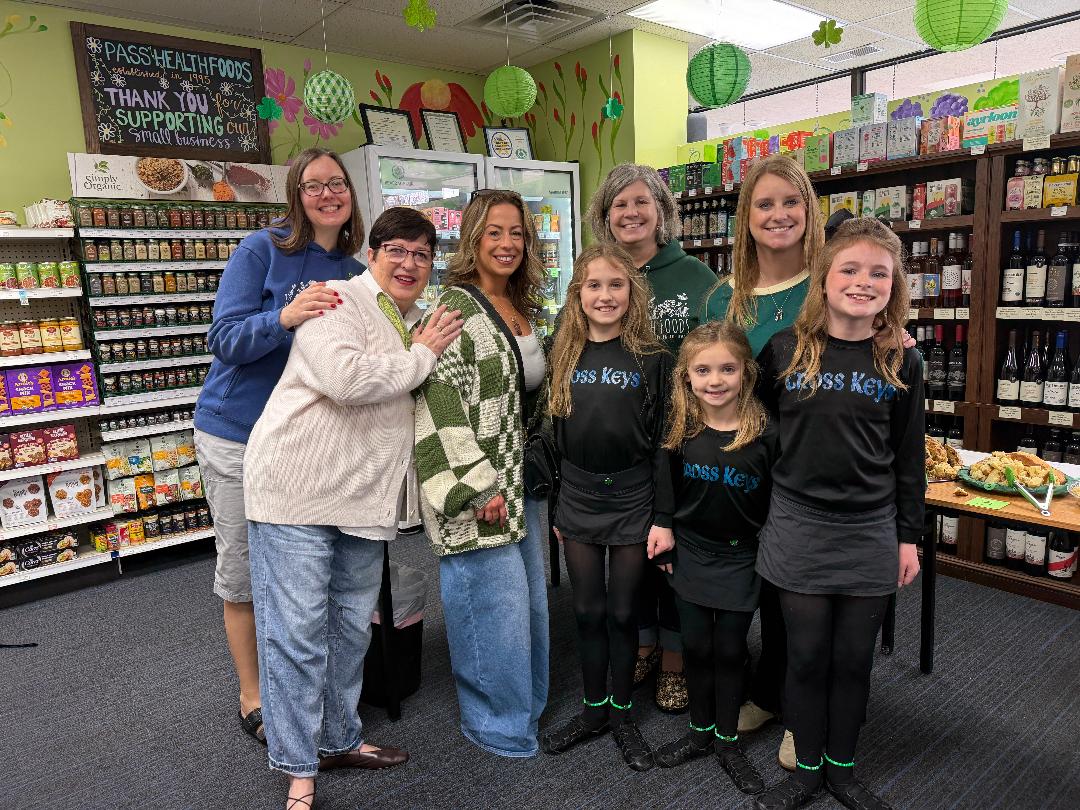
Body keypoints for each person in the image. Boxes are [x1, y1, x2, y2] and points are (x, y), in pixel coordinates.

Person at [242, 207, 463, 810]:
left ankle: (339, 738)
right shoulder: (333, 299)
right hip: (295, 490)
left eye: (422, 254)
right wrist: (421, 356)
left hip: (362, 498)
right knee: (297, 635)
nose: (410, 263)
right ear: (373, 253)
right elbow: (347, 378)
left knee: (348, 628)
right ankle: (297, 767)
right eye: (398, 250)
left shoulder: (418, 318)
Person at [752, 217, 923, 810]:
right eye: (849, 269)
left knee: (852, 660)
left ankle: (842, 771)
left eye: (879, 272)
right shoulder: (785, 351)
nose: (863, 281)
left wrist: (909, 537)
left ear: (894, 284)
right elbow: (760, 427)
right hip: (797, 526)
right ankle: (805, 773)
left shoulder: (902, 361)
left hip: (871, 530)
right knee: (805, 655)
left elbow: (908, 456)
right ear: (823, 278)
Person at [193, 147, 362, 746]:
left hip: (305, 445)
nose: (327, 193)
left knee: (302, 576)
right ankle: (254, 696)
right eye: (313, 185)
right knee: (243, 571)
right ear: (296, 195)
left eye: (336, 183)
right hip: (237, 434)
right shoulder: (259, 250)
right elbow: (225, 340)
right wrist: (284, 317)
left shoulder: (354, 267)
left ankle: (306, 687)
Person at [414, 189, 550, 757]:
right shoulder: (452, 308)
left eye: (516, 233)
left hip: (519, 483)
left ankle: (526, 707)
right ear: (472, 238)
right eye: (493, 232)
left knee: (525, 606)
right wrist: (475, 484)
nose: (507, 243)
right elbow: (436, 399)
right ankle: (495, 724)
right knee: (490, 610)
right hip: (479, 489)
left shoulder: (522, 307)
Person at [701, 153, 825, 765]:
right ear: (746, 217)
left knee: (799, 595)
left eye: (790, 202)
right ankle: (770, 691)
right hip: (741, 467)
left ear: (809, 210)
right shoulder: (724, 296)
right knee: (760, 585)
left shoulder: (830, 282)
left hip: (808, 467)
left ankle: (805, 711)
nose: (778, 215)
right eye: (764, 204)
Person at [586, 163, 716, 713]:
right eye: (620, 204)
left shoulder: (696, 279)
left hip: (683, 441)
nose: (631, 213)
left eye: (641, 202)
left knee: (674, 558)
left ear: (663, 211)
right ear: (605, 216)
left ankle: (674, 658)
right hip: (623, 450)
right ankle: (641, 644)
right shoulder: (601, 276)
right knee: (633, 556)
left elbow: (726, 349)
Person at [539, 243, 673, 771]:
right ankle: (594, 709)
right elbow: (553, 433)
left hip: (634, 500)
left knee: (623, 612)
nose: (605, 295)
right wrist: (555, 509)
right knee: (588, 610)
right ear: (578, 293)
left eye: (616, 285)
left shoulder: (653, 358)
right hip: (576, 497)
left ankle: (621, 712)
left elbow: (666, 439)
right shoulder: (563, 353)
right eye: (593, 285)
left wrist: (664, 516)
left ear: (632, 292)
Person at [653, 320, 780, 798]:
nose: (715, 380)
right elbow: (664, 486)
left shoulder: (766, 435)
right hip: (690, 555)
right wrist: (663, 527)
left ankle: (727, 742)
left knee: (729, 651)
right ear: (686, 375)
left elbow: (778, 499)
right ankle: (699, 731)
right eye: (703, 370)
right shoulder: (680, 430)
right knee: (697, 649)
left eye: (727, 369)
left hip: (742, 559)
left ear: (746, 373)